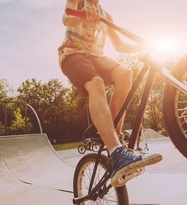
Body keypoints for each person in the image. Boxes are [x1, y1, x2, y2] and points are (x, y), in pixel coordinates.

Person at [59, 0, 162, 187]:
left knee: (125, 74)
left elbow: (120, 46)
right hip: (73, 54)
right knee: (96, 83)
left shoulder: (107, 16)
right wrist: (81, 15)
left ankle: (114, 135)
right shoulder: (78, 1)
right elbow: (67, 19)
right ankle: (115, 150)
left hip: (97, 57)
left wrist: (143, 46)